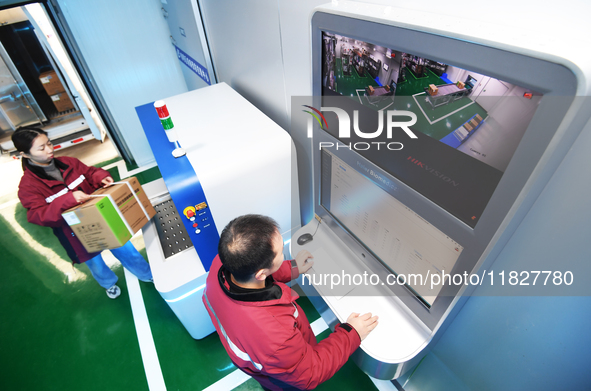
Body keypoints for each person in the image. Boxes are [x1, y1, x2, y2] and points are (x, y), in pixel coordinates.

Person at [203, 214, 379, 390]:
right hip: (280, 378)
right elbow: (310, 372)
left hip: (258, 354)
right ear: (261, 273)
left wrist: (293, 267)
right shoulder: (275, 337)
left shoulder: (223, 263)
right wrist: (351, 332)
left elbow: (261, 277)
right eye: (281, 252)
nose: (284, 252)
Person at [12, 127, 153, 299]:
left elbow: (90, 172)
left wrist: (100, 177)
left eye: (49, 143)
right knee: (95, 263)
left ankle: (146, 274)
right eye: (41, 148)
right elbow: (37, 215)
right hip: (75, 235)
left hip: (102, 221)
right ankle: (108, 283)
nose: (50, 150)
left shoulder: (68, 162)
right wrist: (68, 199)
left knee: (126, 249)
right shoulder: (28, 186)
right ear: (25, 154)